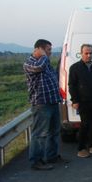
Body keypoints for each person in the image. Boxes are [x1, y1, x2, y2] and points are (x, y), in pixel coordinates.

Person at [23, 39, 65, 170]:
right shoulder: (29, 63)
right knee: (40, 133)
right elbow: (39, 68)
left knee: (54, 131)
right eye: (48, 50)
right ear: (39, 49)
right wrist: (43, 55)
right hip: (41, 104)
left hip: (52, 102)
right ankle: (37, 161)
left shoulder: (45, 62)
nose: (50, 53)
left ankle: (52, 156)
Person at [68, 44, 92, 158]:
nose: (89, 55)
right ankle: (81, 148)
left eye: (90, 53)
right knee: (85, 124)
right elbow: (72, 85)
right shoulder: (75, 68)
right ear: (81, 53)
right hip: (83, 101)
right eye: (86, 53)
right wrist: (75, 100)